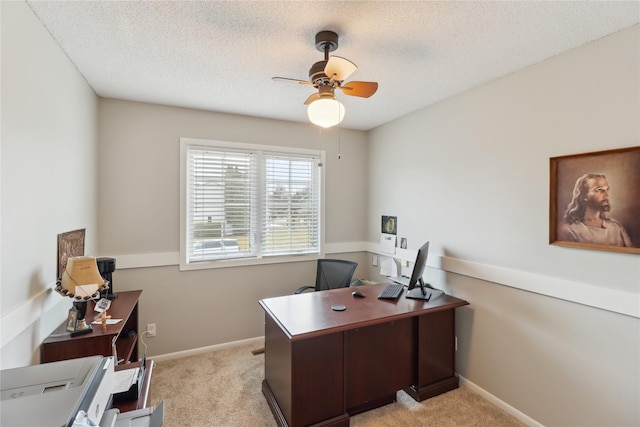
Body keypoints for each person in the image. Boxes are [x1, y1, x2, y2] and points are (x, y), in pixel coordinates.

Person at [559, 173, 634, 247]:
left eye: (607, 189)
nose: (607, 195)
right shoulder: (570, 230)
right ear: (584, 196)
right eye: (599, 190)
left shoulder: (615, 227)